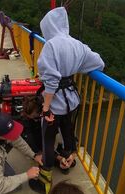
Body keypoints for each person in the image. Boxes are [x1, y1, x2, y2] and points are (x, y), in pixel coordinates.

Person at [29, 6, 105, 194]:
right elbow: (98, 63)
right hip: (71, 100)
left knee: (48, 139)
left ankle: (46, 180)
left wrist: (46, 108)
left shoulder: (51, 45)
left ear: (48, 27)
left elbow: (51, 80)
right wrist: (73, 67)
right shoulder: (78, 45)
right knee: (68, 134)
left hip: (55, 105)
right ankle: (67, 159)